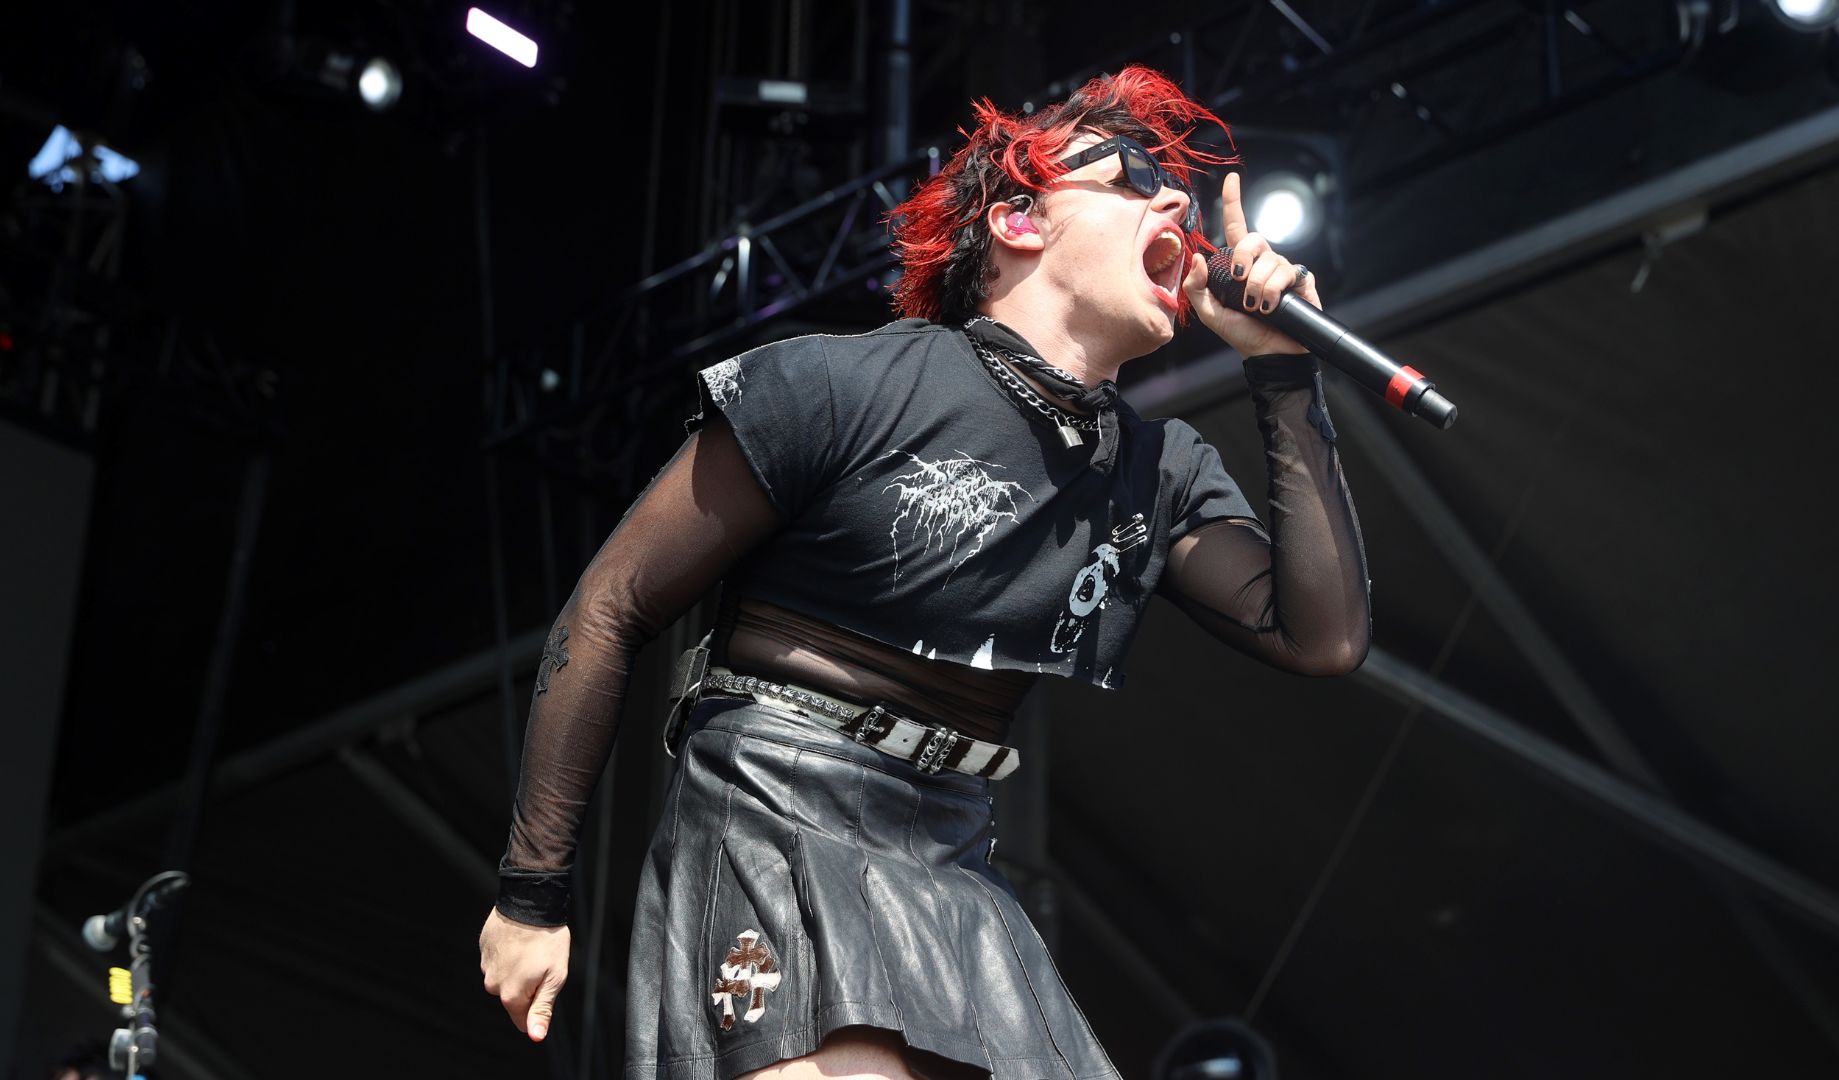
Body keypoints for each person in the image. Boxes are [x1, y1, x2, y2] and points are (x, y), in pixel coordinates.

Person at [478, 65, 1370, 1080]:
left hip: (950, 848)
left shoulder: (1155, 473)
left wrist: (1283, 371)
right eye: (1127, 176)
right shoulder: (837, 386)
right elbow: (610, 607)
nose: (1175, 202)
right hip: (778, 808)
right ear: (1019, 222)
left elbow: (1321, 636)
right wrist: (531, 893)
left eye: (1175, 188)